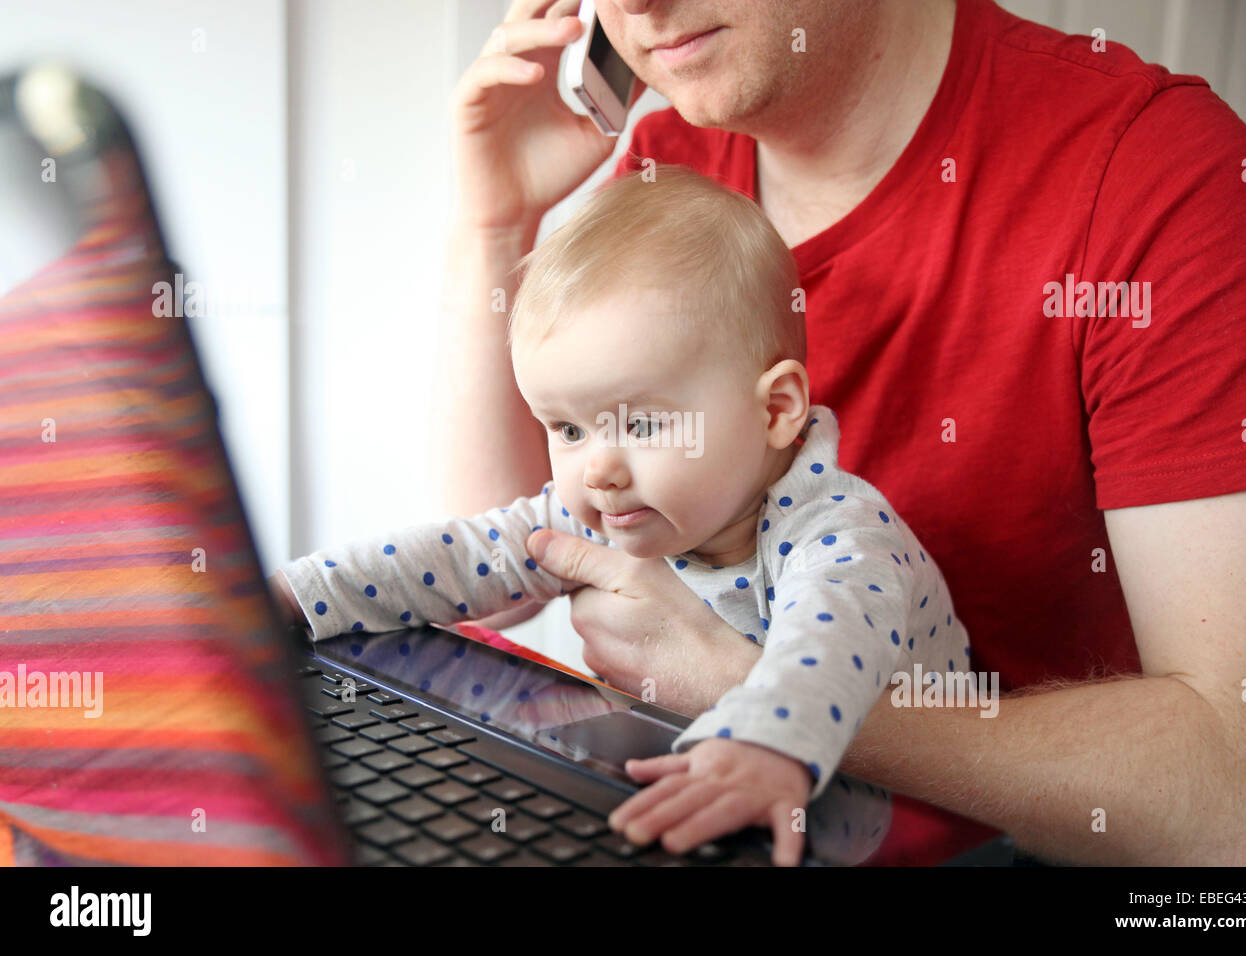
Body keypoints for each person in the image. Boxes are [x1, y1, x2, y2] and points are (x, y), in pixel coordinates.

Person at [435, 0, 1246, 866]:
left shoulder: (1156, 174)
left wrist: (751, 690)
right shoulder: (671, 172)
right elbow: (515, 575)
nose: (632, 5)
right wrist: (493, 228)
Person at [271, 166, 970, 865]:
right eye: (568, 430)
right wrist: (290, 596)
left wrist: (764, 746)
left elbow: (821, 655)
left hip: (889, 830)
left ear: (775, 410)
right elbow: (460, 555)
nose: (597, 469)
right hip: (708, 785)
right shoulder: (618, 505)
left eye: (639, 423)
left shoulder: (839, 536)